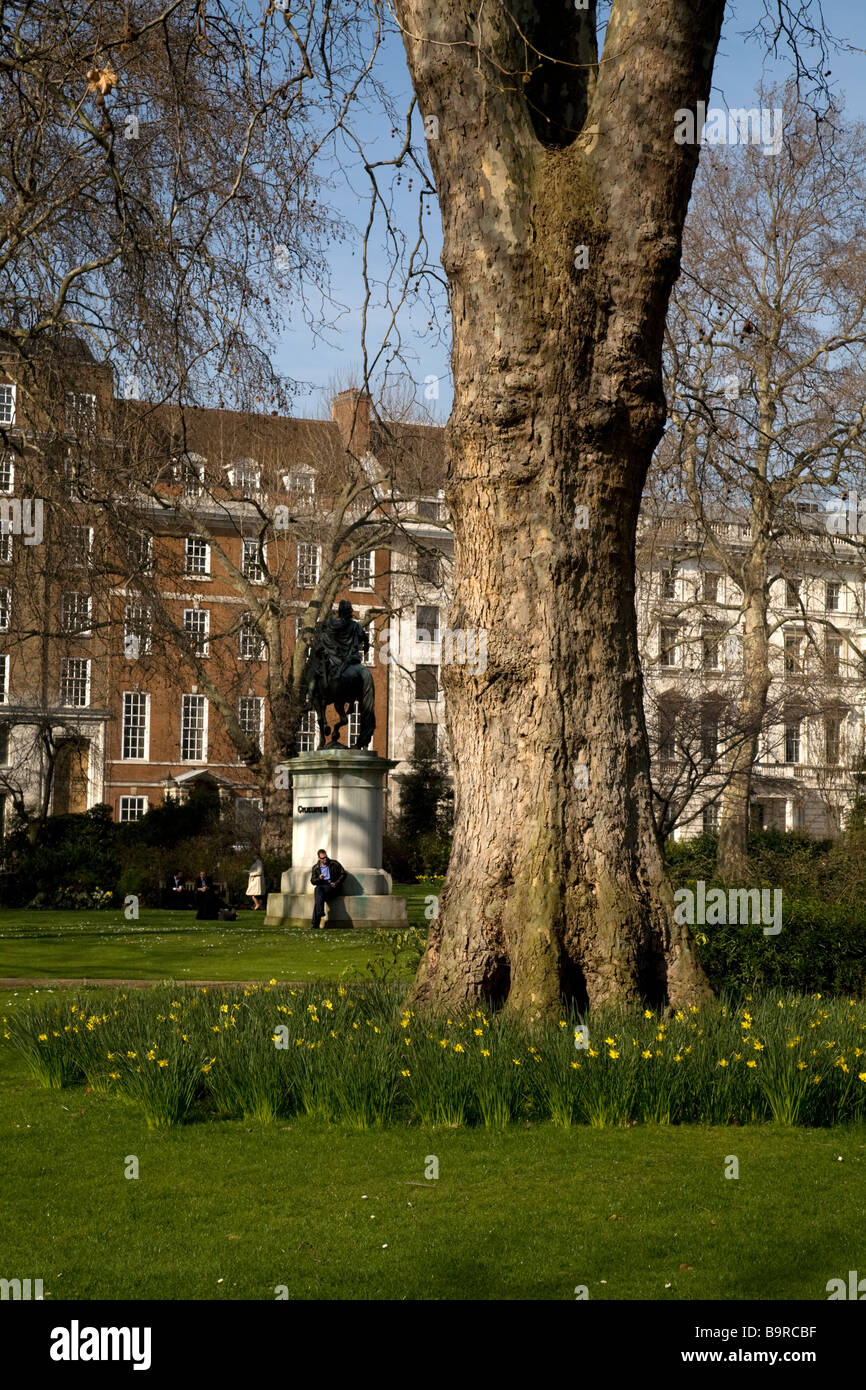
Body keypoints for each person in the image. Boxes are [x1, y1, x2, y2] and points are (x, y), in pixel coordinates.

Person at [310, 848, 345, 929]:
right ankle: (318, 918)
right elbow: (312, 881)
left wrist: (336, 883)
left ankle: (316, 921)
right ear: (319, 858)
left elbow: (343, 874)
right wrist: (319, 878)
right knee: (319, 896)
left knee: (318, 893)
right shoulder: (315, 867)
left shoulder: (334, 863)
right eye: (322, 858)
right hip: (322, 888)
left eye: (325, 857)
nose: (325, 859)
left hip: (332, 887)